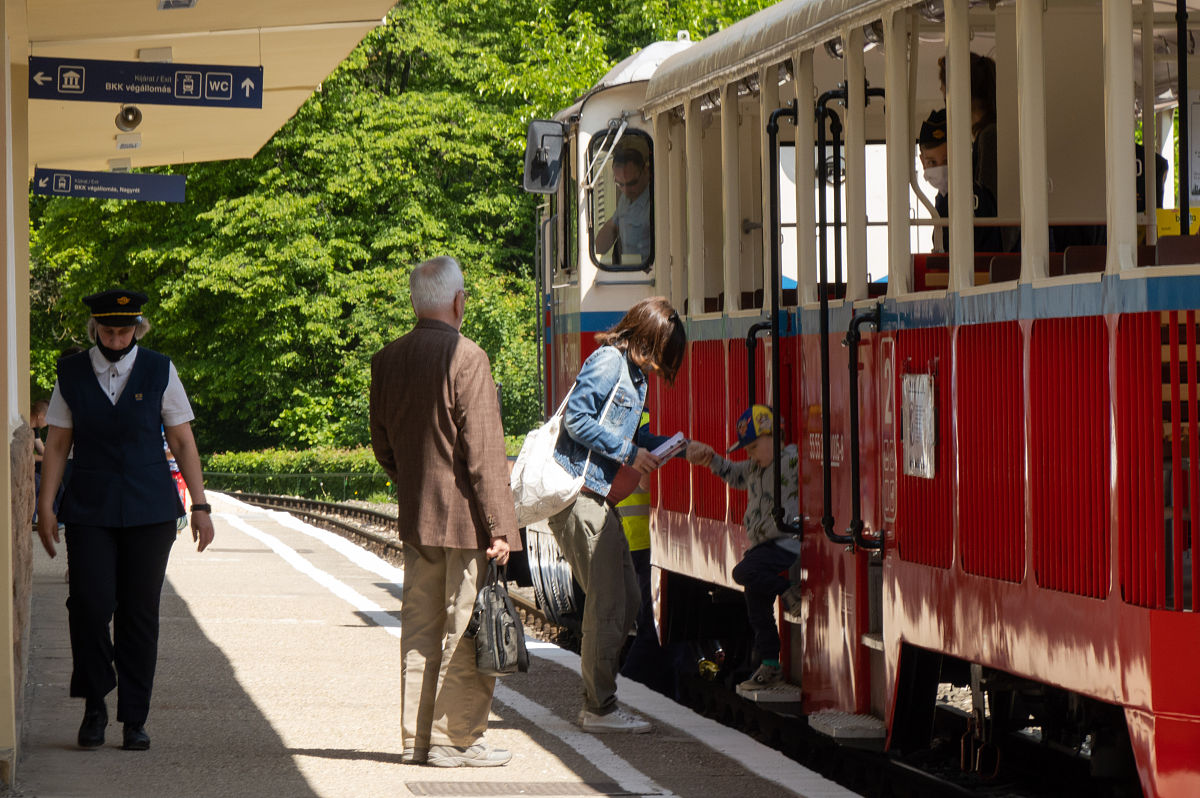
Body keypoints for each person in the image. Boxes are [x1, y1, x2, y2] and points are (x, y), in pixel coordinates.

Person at [35, 289, 215, 752]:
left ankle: (134, 719)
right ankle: (95, 703)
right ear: (95, 329)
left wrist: (200, 505)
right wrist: (46, 505)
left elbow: (182, 440)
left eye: (125, 330)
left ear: (139, 326)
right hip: (91, 507)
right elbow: (56, 444)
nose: (117, 339)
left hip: (149, 510)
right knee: (90, 606)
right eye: (108, 331)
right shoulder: (71, 373)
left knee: (139, 614)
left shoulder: (160, 369)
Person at [369, 255, 521, 768]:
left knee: (419, 628)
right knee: (465, 628)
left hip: (418, 519)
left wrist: (413, 483)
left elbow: (383, 447)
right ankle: (453, 741)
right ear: (459, 302)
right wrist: (502, 527)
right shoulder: (467, 356)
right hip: (465, 523)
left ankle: (416, 738)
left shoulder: (386, 360)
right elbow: (483, 453)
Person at [548, 296, 687, 733]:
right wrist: (630, 451)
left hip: (600, 498)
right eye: (663, 354)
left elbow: (633, 434)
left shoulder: (636, 376)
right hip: (579, 494)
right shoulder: (609, 362)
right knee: (609, 602)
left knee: (626, 600)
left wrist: (674, 446)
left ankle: (599, 700)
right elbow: (576, 419)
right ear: (649, 337)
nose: (662, 368)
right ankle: (599, 708)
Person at [685, 405, 802, 691]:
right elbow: (732, 474)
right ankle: (771, 664)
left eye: (753, 446)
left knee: (741, 573)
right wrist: (711, 459)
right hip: (764, 545)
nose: (748, 454)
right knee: (755, 605)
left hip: (787, 542)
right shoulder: (752, 467)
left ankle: (786, 591)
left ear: (773, 437)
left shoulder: (792, 460)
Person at [616, 412, 672, 696]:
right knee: (650, 628)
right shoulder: (647, 428)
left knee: (647, 624)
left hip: (631, 541)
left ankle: (660, 688)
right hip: (645, 543)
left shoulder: (619, 428)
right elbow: (646, 483)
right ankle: (624, 690)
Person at [918, 108, 1002, 254]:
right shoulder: (942, 200)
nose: (941, 169)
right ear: (922, 162)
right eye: (932, 162)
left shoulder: (978, 200)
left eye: (947, 161)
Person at [594, 143, 652, 263]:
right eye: (620, 184)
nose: (625, 190)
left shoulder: (655, 201)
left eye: (631, 183)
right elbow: (609, 233)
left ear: (645, 171)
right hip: (628, 271)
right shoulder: (625, 200)